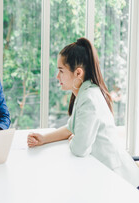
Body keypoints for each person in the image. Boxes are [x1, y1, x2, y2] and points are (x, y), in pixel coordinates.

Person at [27, 38, 139, 189]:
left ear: (78, 72)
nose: (57, 76)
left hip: (118, 179)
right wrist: (44, 139)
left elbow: (79, 149)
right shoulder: (85, 92)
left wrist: (75, 139)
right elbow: (70, 128)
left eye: (61, 71)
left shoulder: (89, 98)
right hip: (105, 172)